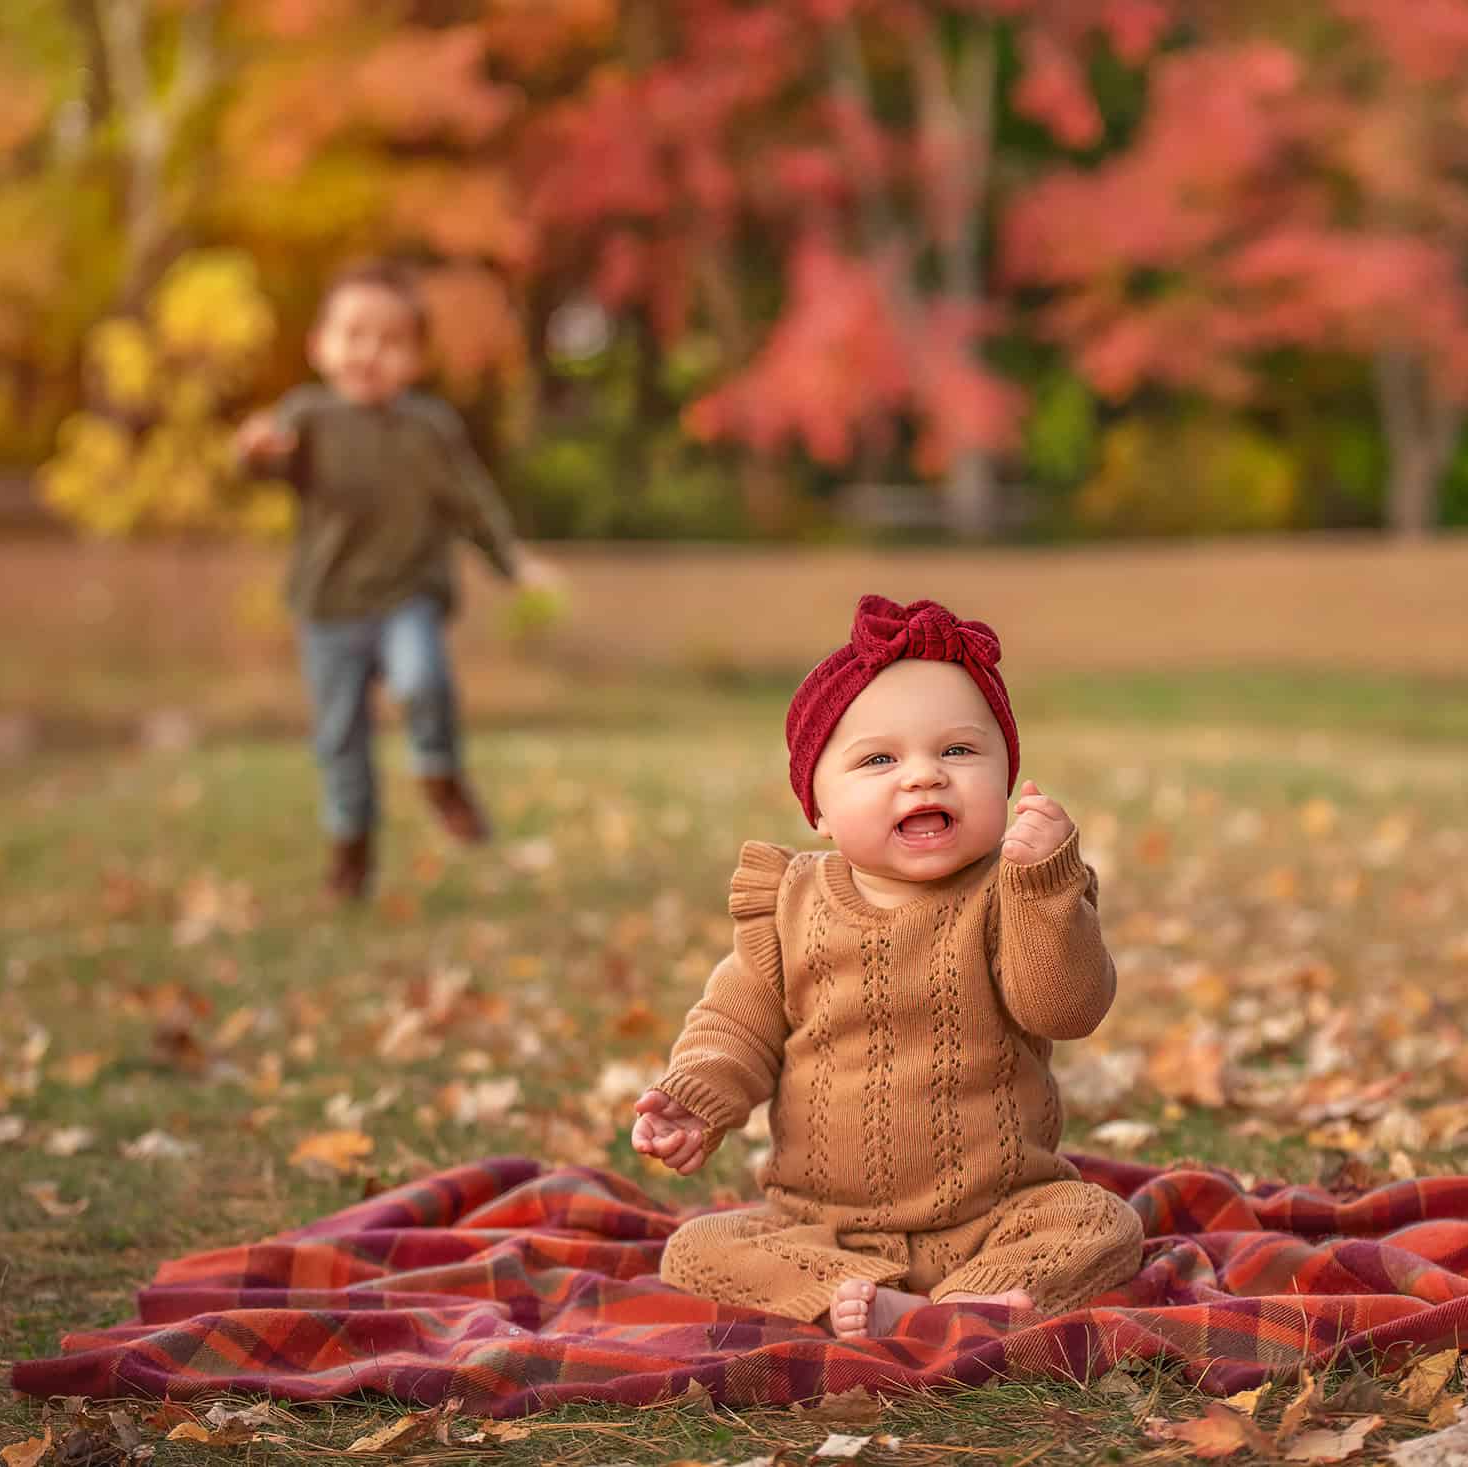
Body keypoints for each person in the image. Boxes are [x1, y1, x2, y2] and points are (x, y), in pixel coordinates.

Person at [631, 594, 1144, 1339]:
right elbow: (733, 1023)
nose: (924, 776)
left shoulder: (1018, 892)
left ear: (1006, 778)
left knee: (1101, 1222)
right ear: (817, 806)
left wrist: (1047, 887)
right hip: (823, 1227)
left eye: (959, 752)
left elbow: (1064, 1007)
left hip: (997, 1212)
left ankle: (964, 1303)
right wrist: (697, 1096)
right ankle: (867, 1296)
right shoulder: (788, 904)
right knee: (699, 1248)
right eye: (879, 759)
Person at [233, 260, 536, 903]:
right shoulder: (307, 418)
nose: (370, 352)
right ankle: (350, 847)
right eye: (353, 334)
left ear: (417, 360)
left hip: (406, 597)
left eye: (391, 341)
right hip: (329, 607)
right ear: (320, 345)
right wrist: (254, 451)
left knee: (423, 679)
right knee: (341, 737)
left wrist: (512, 564)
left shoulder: (429, 429)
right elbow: (266, 465)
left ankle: (438, 773)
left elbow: (472, 504)